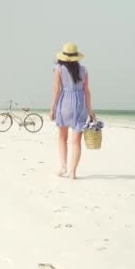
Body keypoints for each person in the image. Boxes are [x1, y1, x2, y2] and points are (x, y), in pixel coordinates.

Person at [49, 42, 95, 180]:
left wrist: (52, 108)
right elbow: (86, 91)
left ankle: (63, 166)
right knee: (76, 141)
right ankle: (73, 172)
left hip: (64, 104)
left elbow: (56, 89)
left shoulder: (58, 68)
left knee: (62, 138)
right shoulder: (84, 70)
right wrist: (90, 109)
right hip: (80, 104)